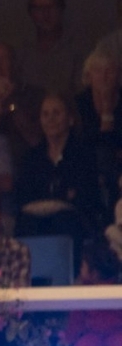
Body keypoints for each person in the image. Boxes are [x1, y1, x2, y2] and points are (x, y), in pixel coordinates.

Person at [15, 92, 111, 245]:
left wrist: (59, 204)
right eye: (45, 114)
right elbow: (23, 197)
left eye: (56, 113)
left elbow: (86, 197)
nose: (50, 119)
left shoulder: (84, 154)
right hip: (35, 223)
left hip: (75, 222)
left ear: (70, 119)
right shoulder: (32, 157)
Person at [63, 240, 122, 346]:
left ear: (94, 272)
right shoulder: (83, 291)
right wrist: (70, 337)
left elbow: (76, 318)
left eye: (83, 266)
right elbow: (77, 318)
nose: (80, 269)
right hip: (93, 334)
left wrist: (69, 338)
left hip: (117, 333)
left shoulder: (117, 290)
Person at [0, 42, 43, 157]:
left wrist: (13, 106)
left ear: (13, 62)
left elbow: (37, 139)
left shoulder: (34, 94)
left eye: (2, 60)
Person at [17, 0, 82, 97]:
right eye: (39, 9)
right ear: (31, 14)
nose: (45, 14)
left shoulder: (76, 50)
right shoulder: (22, 50)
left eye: (51, 7)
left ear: (61, 10)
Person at [74, 51, 122, 170]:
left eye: (109, 71)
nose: (104, 77)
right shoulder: (78, 103)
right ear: (88, 76)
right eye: (98, 71)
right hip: (85, 167)